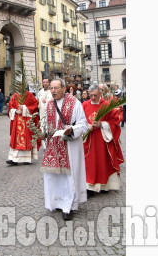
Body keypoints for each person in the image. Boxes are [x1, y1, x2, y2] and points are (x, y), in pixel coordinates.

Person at [41, 78, 88, 220]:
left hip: (69, 145)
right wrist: (42, 131)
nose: (53, 91)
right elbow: (45, 123)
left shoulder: (75, 103)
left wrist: (71, 130)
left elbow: (83, 124)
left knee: (69, 177)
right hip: (53, 145)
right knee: (53, 176)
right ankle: (55, 202)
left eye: (56, 88)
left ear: (64, 88)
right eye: (52, 89)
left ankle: (69, 206)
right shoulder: (49, 105)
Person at [82, 84, 124, 196]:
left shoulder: (107, 105)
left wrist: (102, 124)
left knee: (102, 162)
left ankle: (105, 185)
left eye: (95, 95)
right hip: (89, 139)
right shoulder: (84, 105)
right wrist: (87, 126)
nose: (93, 98)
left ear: (100, 93)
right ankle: (90, 187)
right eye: (91, 96)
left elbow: (115, 122)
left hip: (103, 139)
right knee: (90, 163)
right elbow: (79, 120)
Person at [6, 88, 40, 165]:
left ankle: (27, 158)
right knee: (15, 139)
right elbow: (10, 107)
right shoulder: (15, 95)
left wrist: (25, 108)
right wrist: (15, 111)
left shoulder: (29, 95)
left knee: (26, 138)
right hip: (17, 121)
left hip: (26, 120)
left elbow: (35, 106)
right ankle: (13, 158)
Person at [36, 78, 53, 146]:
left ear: (49, 83)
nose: (45, 83)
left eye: (46, 82)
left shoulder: (52, 91)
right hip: (42, 113)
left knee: (50, 127)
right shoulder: (40, 92)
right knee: (43, 127)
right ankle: (44, 144)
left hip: (50, 113)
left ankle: (51, 142)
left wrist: (47, 101)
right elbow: (38, 101)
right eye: (44, 82)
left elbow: (54, 100)